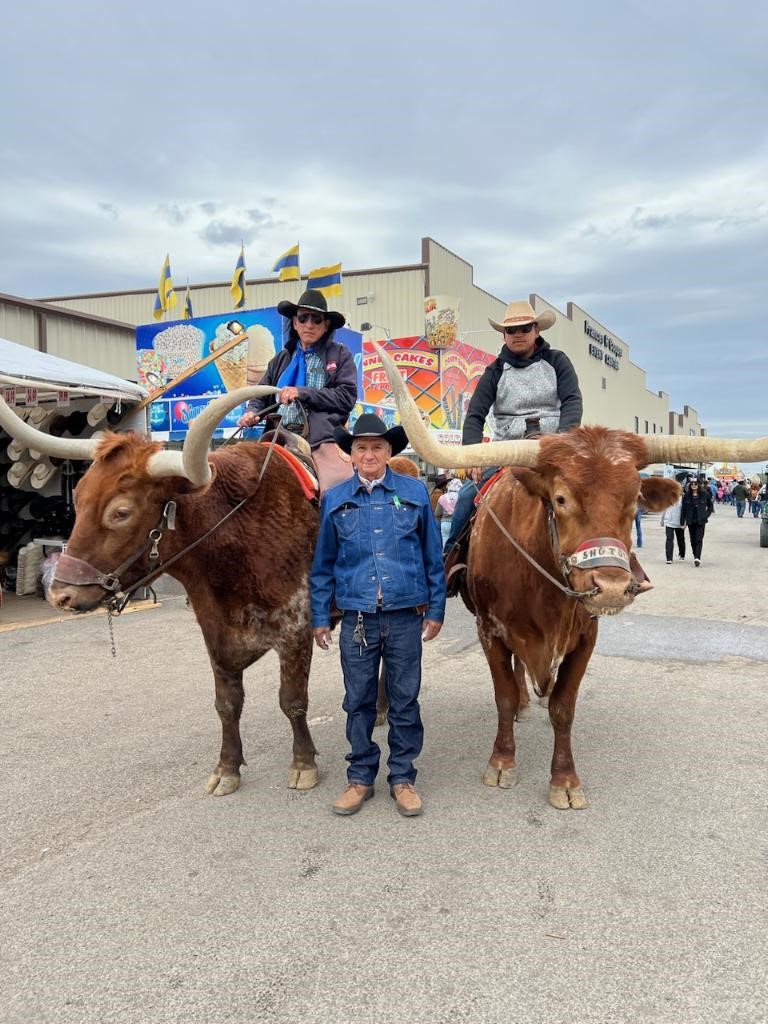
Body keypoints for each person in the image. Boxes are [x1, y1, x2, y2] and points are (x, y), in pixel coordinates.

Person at [310, 414, 446, 818]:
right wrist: (321, 616)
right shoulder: (334, 499)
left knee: (405, 701)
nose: (369, 454)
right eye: (361, 447)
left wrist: (436, 608)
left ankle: (402, 778)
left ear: (390, 452)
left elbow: (432, 557)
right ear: (350, 454)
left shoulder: (415, 493)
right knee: (358, 701)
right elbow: (323, 566)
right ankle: (360, 778)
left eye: (378, 447)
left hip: (406, 615)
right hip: (358, 621)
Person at [443, 300, 582, 554]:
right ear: (504, 335)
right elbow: (475, 415)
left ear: (537, 330)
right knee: (465, 498)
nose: (518, 335)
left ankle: (614, 560)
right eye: (511, 330)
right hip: (508, 451)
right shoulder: (494, 371)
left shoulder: (558, 361)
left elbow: (572, 401)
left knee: (594, 492)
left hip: (551, 449)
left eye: (525, 328)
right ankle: (451, 556)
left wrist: (562, 441)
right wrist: (472, 455)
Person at [237, 289, 358, 492]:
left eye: (316, 319)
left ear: (326, 324)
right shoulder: (280, 359)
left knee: (339, 490)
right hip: (278, 434)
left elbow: (347, 397)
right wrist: (252, 412)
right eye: (303, 318)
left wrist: (302, 393)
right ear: (295, 322)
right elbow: (261, 395)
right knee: (243, 485)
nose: (309, 324)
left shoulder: (339, 354)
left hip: (322, 437)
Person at [680, 478, 714, 566]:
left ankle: (697, 557)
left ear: (698, 485)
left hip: (701, 520)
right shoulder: (687, 496)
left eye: (695, 484)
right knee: (693, 539)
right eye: (692, 484)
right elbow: (683, 510)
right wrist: (682, 522)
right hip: (690, 520)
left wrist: (705, 515)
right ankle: (695, 555)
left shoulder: (704, 494)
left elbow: (710, 506)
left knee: (699, 539)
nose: (693, 485)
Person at [435, 477, 462, 548]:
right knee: (456, 544)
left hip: (445, 524)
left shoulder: (442, 497)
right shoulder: (461, 497)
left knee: (445, 544)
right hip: (458, 523)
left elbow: (437, 514)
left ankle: (445, 557)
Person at [660, 494, 686, 562]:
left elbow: (685, 511)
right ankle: (669, 558)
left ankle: (682, 554)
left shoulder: (683, 498)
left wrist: (685, 522)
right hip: (669, 521)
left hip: (679, 522)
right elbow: (664, 509)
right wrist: (662, 520)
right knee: (669, 539)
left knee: (680, 539)